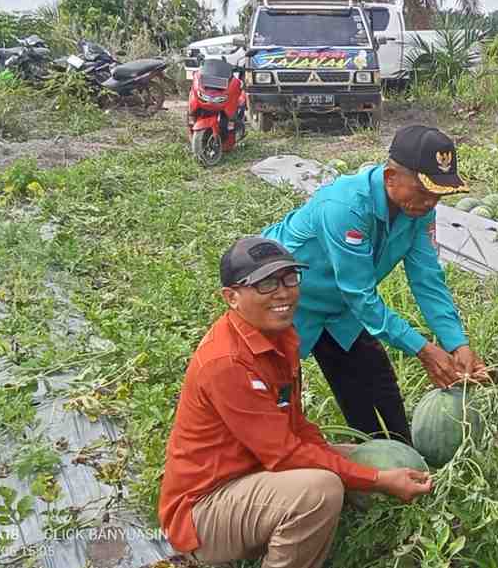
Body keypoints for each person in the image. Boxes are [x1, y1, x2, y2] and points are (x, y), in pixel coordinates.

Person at [158, 237, 433, 568]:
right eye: (266, 283)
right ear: (231, 297)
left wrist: (363, 468)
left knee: (357, 456)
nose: (283, 292)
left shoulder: (280, 335)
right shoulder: (227, 363)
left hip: (252, 474)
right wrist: (377, 480)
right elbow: (284, 453)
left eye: (290, 278)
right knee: (321, 489)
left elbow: (296, 426)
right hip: (204, 513)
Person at [261, 125, 488, 445]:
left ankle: (398, 456)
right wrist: (422, 349)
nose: (429, 203)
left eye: (437, 194)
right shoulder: (345, 207)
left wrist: (456, 343)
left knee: (375, 380)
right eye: (423, 192)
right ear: (390, 177)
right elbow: (361, 296)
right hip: (286, 302)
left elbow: (427, 280)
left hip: (339, 306)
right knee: (277, 392)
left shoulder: (418, 213)